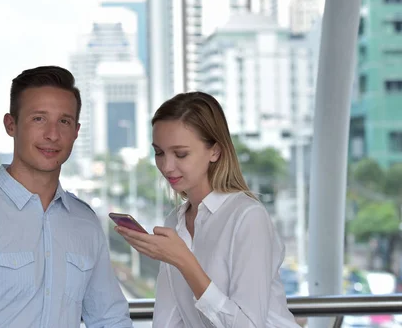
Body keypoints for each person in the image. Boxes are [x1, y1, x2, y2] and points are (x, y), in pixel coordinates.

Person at [0, 66, 132, 328]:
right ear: (10, 125)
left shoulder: (86, 223)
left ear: (76, 131)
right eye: (39, 119)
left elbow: (110, 319)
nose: (52, 134)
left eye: (64, 121)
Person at [115, 91, 299, 327]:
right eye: (159, 153)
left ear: (215, 151)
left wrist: (184, 261)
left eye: (181, 154)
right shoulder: (175, 221)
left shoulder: (247, 217)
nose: (167, 166)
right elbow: (168, 318)